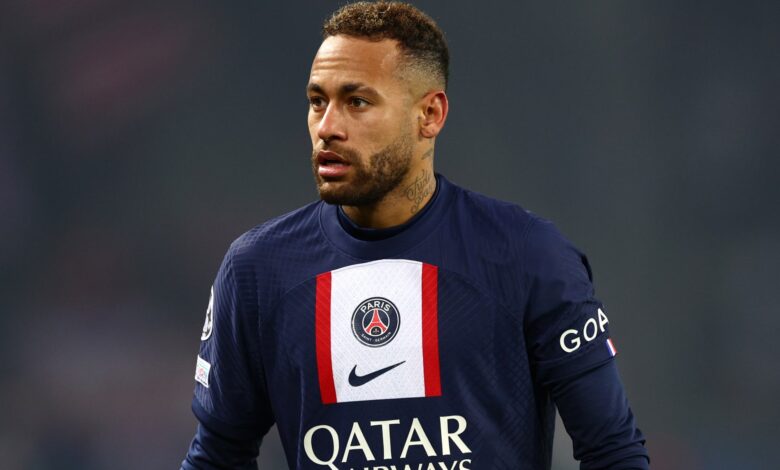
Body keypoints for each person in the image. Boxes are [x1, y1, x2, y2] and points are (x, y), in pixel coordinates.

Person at [181, 2, 650, 469]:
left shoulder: (527, 257)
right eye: (317, 101)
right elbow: (217, 457)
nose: (327, 128)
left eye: (357, 102)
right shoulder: (257, 270)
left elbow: (613, 452)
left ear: (430, 114)